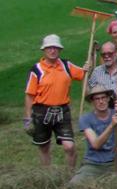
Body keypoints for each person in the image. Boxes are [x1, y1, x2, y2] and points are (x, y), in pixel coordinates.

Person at [24, 34, 87, 169]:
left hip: (62, 110)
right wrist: (28, 117)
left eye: (55, 48)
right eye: (49, 48)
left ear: (60, 50)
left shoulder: (66, 65)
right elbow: (29, 95)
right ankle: (47, 175)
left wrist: (89, 63)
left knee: (69, 146)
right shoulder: (36, 70)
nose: (52, 51)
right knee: (44, 147)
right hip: (41, 111)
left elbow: (84, 74)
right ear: (44, 50)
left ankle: (70, 175)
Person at [69, 88, 117, 185]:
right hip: (93, 164)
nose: (101, 101)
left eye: (103, 98)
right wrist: (112, 125)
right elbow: (96, 144)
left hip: (114, 162)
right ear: (92, 101)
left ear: (108, 99)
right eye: (97, 99)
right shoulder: (85, 119)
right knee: (73, 185)